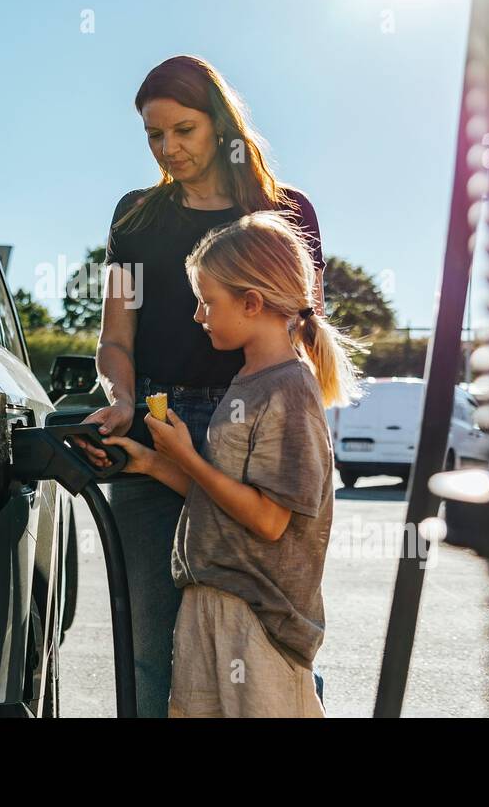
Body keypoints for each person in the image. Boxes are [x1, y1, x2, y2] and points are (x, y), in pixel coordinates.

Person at [76, 54, 326, 717]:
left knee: (270, 630)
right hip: (158, 424)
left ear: (219, 124)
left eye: (182, 129)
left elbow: (303, 332)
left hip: (259, 435)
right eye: (154, 136)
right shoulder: (133, 219)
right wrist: (122, 400)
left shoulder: (285, 210)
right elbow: (114, 337)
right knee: (153, 646)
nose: (169, 148)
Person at [103, 211, 364, 716]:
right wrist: (151, 464)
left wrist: (186, 457)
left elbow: (268, 520)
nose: (198, 315)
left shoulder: (287, 389)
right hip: (214, 599)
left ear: (252, 302)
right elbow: (223, 499)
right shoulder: (248, 380)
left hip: (257, 617)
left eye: (207, 302)